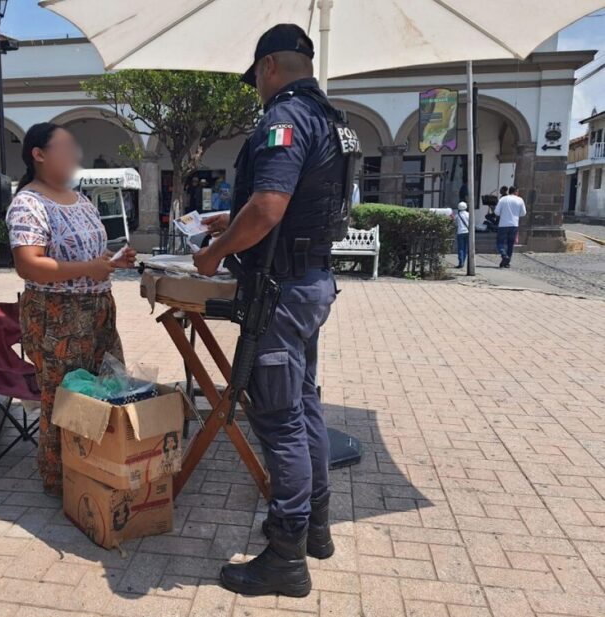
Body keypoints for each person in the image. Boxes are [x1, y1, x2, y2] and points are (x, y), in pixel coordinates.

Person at [195, 24, 359, 597]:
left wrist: (216, 251)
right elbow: (296, 204)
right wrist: (234, 218)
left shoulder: (284, 118)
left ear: (268, 67)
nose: (258, 90)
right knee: (305, 404)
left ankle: (286, 557)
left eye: (257, 79)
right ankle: (316, 528)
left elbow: (269, 207)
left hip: (281, 292)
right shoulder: (333, 120)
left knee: (278, 419)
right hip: (312, 283)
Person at [5, 122, 137, 496]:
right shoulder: (29, 203)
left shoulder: (80, 200)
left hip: (98, 310)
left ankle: (98, 463)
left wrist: (111, 261)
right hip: (58, 315)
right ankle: (62, 477)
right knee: (66, 396)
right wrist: (87, 269)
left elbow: (90, 255)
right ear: (39, 155)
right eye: (63, 148)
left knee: (105, 386)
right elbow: (28, 265)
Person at [494, 185, 526, 268]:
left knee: (499, 242)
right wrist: (516, 214)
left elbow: (496, 212)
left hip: (503, 224)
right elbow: (523, 213)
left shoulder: (503, 199)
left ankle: (504, 255)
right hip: (514, 224)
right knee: (510, 244)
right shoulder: (520, 200)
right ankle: (507, 262)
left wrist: (503, 213)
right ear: (516, 192)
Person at [454, 201, 470, 268]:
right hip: (467, 232)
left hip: (460, 233)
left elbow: (455, 223)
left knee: (461, 248)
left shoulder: (457, 215)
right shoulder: (468, 214)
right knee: (465, 248)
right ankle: (463, 261)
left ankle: (461, 262)